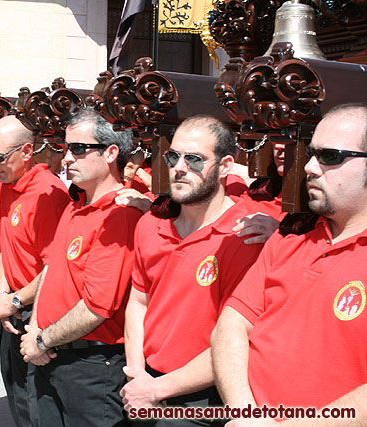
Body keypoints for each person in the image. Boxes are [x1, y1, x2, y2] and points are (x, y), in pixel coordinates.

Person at [212, 103, 367, 423]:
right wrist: (245, 413)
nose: (309, 166)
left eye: (329, 156)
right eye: (311, 154)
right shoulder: (291, 236)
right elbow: (232, 325)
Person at [120, 116, 264, 426]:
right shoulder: (151, 224)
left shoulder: (246, 235)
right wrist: (137, 375)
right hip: (146, 383)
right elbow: (138, 302)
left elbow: (239, 340)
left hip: (205, 397)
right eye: (174, 156)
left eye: (195, 159)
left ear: (226, 166)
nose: (179, 167)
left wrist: (156, 389)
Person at [20, 108, 143, 426]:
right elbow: (50, 270)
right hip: (52, 353)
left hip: (91, 366)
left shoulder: (122, 214)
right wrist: (35, 328)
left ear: (111, 153)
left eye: (77, 148)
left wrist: (42, 340)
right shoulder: (76, 207)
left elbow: (98, 307)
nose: (66, 158)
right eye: (65, 148)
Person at [0, 116, 71, 426]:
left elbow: (55, 266)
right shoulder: (4, 184)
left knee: (39, 403)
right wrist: (1, 295)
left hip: (41, 312)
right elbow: (8, 245)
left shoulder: (47, 194)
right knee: (16, 392)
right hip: (13, 307)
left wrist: (17, 300)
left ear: (26, 151)